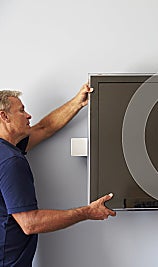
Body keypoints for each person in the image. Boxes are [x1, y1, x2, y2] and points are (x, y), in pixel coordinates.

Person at [0, 84, 116, 267]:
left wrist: (78, 102)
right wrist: (87, 212)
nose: (28, 115)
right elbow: (30, 223)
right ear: (4, 116)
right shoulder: (10, 161)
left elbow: (44, 128)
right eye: (21, 110)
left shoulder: (5, 151)